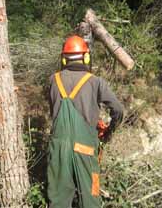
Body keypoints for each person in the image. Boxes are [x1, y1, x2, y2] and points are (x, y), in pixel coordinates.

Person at [47, 35, 124, 208]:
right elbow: (118, 110)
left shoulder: (53, 80)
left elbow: (55, 113)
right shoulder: (96, 82)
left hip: (58, 148)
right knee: (91, 199)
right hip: (86, 150)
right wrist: (109, 131)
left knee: (57, 201)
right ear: (86, 57)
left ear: (64, 58)